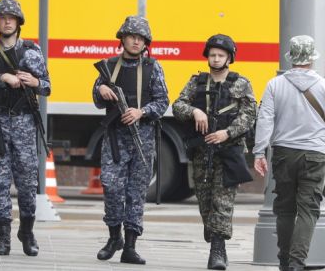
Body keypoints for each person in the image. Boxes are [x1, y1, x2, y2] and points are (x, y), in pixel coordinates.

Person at [0, 0, 51, 257]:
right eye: (2, 17)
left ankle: (27, 232)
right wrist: (1, 78)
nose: (7, 21)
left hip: (25, 125)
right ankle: (3, 238)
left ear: (18, 22)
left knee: (28, 184)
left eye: (11, 17)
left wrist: (34, 81)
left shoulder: (32, 51)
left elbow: (48, 86)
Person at [172, 34, 256, 270]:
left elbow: (249, 115)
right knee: (205, 202)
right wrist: (194, 112)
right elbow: (177, 105)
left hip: (229, 151)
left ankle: (218, 251)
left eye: (221, 55)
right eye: (212, 55)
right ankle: (213, 235)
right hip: (202, 151)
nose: (216, 59)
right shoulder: (197, 82)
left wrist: (227, 133)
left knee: (222, 200)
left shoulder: (241, 83)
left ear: (229, 57)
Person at [92, 15, 168, 265]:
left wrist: (141, 112)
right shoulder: (109, 65)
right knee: (111, 186)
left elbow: (162, 101)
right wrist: (101, 90)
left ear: (146, 42)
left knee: (136, 193)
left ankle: (130, 246)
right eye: (131, 37)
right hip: (115, 137)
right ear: (122, 39)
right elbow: (96, 96)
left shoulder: (153, 67)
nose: (136, 41)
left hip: (142, 139)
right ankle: (114, 237)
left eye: (140, 38)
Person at [253, 35, 325, 271]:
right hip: (315, 153)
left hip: (284, 153)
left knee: (285, 209)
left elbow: (265, 119)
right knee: (308, 209)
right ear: (312, 58)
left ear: (291, 57)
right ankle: (297, 262)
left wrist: (259, 152)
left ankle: (284, 260)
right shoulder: (323, 85)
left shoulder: (275, 85)